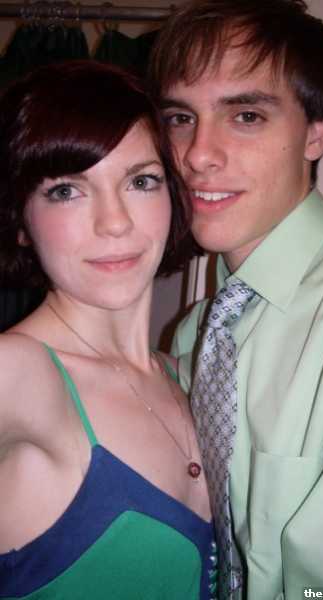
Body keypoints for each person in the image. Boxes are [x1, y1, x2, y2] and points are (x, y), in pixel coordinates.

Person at [149, 0, 323, 598]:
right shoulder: (194, 333)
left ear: (317, 132)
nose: (197, 154)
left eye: (246, 116)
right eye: (181, 117)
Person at [0, 60, 217, 600]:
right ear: (20, 221)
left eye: (141, 181)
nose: (115, 221)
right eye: (66, 191)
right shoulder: (16, 371)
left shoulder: (186, 376)